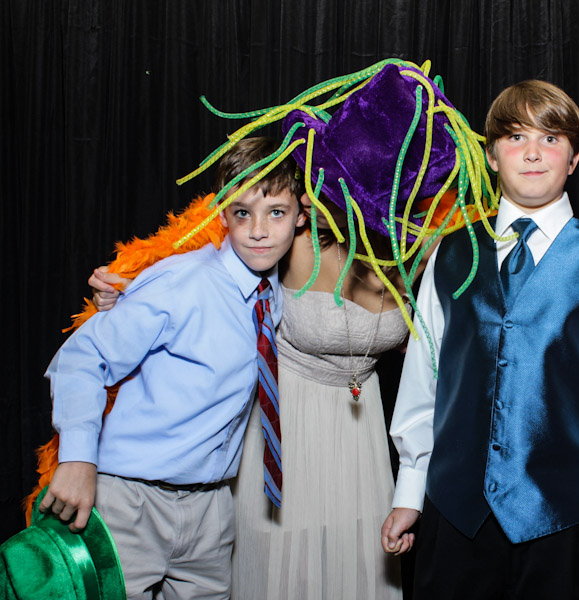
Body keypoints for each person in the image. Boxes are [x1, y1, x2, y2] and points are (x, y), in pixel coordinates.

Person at [87, 60, 495, 599]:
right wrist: (126, 289)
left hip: (363, 438)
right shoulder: (290, 235)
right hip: (284, 429)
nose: (313, 195)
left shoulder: (419, 248)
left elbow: (480, 296)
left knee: (357, 564)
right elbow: (208, 263)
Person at [381, 79, 579, 599]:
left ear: (574, 159)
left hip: (568, 520)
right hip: (456, 515)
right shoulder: (450, 254)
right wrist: (410, 490)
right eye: (516, 137)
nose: (533, 152)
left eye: (551, 138)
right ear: (492, 155)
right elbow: (425, 381)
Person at [40, 136, 306, 598]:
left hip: (212, 508)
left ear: (301, 216)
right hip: (131, 500)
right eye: (243, 213)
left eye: (276, 213)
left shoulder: (272, 294)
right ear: (221, 213)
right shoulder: (181, 281)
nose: (259, 230)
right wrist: (78, 459)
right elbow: (83, 357)